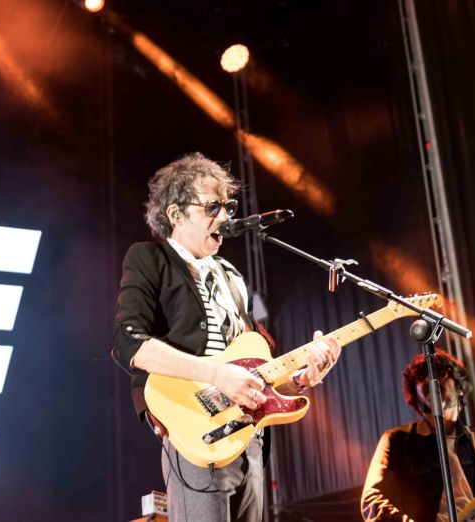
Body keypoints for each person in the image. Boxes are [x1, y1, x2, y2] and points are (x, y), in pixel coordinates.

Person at [112, 152, 341, 522]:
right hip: (197, 433)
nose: (225, 217)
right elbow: (130, 343)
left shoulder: (232, 276)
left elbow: (255, 366)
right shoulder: (149, 258)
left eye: (228, 206)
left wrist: (299, 378)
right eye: (212, 207)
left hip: (249, 439)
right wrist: (216, 374)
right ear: (176, 214)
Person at [361, 350, 475, 522]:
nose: (429, 380)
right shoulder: (397, 440)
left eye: (438, 372)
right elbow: (373, 501)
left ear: (459, 386)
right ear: (416, 395)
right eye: (421, 377)